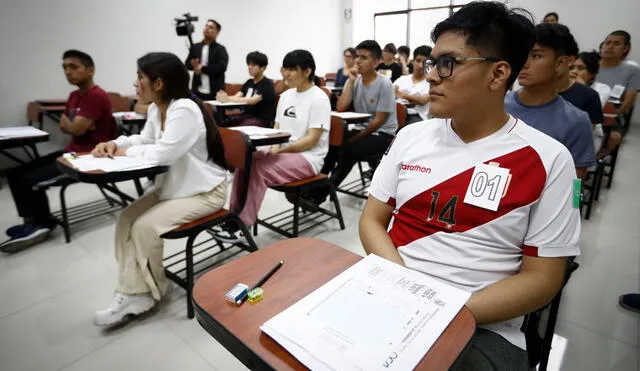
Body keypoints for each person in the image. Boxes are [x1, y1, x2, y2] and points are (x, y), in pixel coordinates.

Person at [360, 3, 581, 370]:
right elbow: (371, 219)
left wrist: (445, 312)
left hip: (479, 321)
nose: (431, 76)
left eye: (447, 64)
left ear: (497, 75)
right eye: (432, 63)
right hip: (390, 293)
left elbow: (543, 278)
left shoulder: (549, 159)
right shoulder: (411, 136)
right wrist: (400, 287)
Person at [91, 52, 228, 326]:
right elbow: (145, 140)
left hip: (205, 192)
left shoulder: (185, 109)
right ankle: (137, 287)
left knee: (144, 227)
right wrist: (116, 145)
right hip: (176, 188)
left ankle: (143, 293)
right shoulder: (157, 108)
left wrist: (124, 153)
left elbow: (163, 155)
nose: (135, 84)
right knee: (126, 220)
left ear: (159, 83)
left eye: (140, 77)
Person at [0, 50, 116, 253]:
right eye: (65, 68)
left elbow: (74, 128)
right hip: (71, 152)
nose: (68, 72)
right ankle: (32, 220)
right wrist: (77, 125)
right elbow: (66, 126)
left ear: (90, 70)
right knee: (15, 173)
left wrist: (75, 125)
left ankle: (42, 224)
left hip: (87, 157)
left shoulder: (96, 96)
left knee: (28, 179)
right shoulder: (74, 96)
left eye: (73, 67)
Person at [213, 50, 331, 243]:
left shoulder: (318, 98)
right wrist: (272, 146)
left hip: (308, 158)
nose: (286, 74)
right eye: (285, 69)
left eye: (292, 69)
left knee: (259, 169)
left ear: (308, 71)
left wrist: (281, 149)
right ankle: (233, 216)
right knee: (246, 162)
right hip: (284, 151)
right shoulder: (285, 96)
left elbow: (311, 140)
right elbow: (277, 129)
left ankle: (242, 225)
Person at [308, 40, 397, 206]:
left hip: (383, 135)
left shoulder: (384, 84)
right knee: (330, 145)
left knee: (348, 151)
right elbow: (341, 107)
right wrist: (350, 80)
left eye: (364, 57)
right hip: (361, 130)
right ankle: (314, 187)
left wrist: (355, 138)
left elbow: (379, 121)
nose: (358, 61)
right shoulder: (356, 81)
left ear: (376, 62)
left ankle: (319, 195)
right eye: (357, 57)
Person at [505, 23, 596, 179]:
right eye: (522, 54)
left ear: (560, 63)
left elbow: (576, 182)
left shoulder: (576, 121)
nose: (524, 64)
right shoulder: (497, 104)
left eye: (536, 56)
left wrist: (574, 203)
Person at [552, 26, 605, 154]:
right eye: (572, 67)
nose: (574, 71)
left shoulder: (594, 93)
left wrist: (580, 87)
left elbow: (586, 129)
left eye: (581, 68)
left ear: (592, 73)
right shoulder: (551, 88)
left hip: (580, 142)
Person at [215, 51, 276, 127]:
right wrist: (223, 97)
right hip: (247, 116)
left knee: (238, 128)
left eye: (253, 65)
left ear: (263, 68)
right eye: (249, 64)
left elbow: (252, 101)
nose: (249, 67)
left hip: (261, 119)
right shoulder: (249, 82)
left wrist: (227, 99)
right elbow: (237, 96)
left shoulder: (267, 84)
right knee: (223, 123)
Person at [598, 31, 640, 119]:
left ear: (625, 49)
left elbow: (628, 102)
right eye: (607, 43)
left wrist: (608, 116)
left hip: (612, 115)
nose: (610, 47)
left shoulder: (632, 70)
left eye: (616, 44)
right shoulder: (589, 66)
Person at [185, 19, 229, 100]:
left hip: (215, 92)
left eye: (211, 27)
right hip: (197, 91)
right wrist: (192, 64)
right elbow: (187, 65)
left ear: (217, 33)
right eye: (206, 26)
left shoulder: (220, 49)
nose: (207, 28)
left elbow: (222, 67)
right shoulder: (195, 47)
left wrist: (203, 68)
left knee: (215, 112)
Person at [393, 45, 432, 124]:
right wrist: (413, 99)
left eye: (425, 63)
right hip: (395, 113)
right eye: (418, 61)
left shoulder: (431, 83)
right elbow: (390, 92)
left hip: (417, 117)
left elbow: (422, 100)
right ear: (412, 61)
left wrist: (400, 94)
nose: (421, 65)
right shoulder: (402, 79)